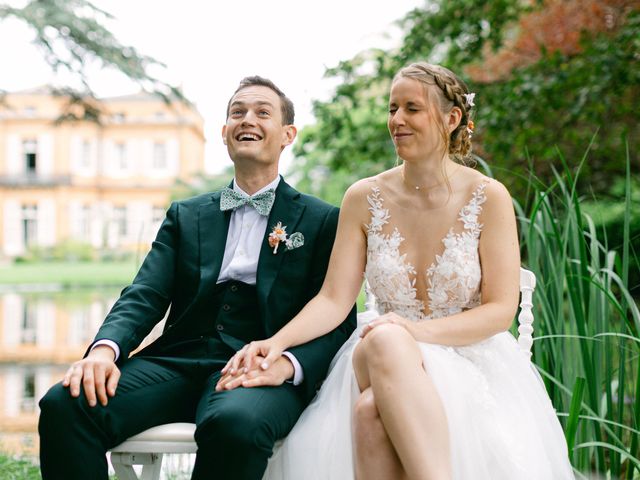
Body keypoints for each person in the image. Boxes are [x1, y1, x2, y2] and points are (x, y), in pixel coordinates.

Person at [220, 63, 575, 479]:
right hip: (377, 352)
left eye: (412, 109)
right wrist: (275, 343)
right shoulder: (363, 197)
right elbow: (335, 299)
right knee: (386, 340)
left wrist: (413, 331)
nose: (397, 120)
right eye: (392, 109)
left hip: (467, 356)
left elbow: (500, 312)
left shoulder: (489, 197)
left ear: (451, 118)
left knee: (372, 413)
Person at [37, 75, 356, 480]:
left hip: (256, 368)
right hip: (176, 361)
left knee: (235, 425)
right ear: (224, 133)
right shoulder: (186, 215)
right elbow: (145, 293)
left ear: (287, 134)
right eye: (236, 112)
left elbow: (337, 314)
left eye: (262, 112)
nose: (247, 119)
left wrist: (289, 364)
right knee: (66, 404)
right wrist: (104, 350)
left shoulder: (321, 219)